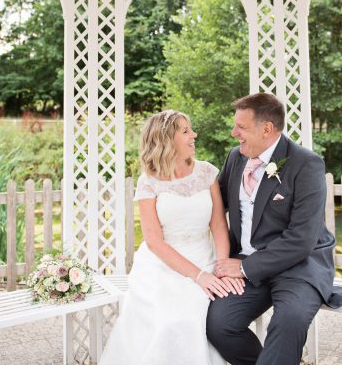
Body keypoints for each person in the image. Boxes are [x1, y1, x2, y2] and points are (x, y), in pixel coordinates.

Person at [207, 93, 342, 365]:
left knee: (289, 321)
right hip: (247, 264)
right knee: (220, 324)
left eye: (241, 127)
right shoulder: (235, 158)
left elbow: (302, 239)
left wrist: (241, 268)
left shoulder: (306, 164)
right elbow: (214, 207)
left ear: (267, 129)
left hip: (299, 265)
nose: (233, 133)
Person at [100, 109, 244, 365]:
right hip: (162, 266)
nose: (194, 135)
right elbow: (154, 241)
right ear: (166, 139)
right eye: (186, 131)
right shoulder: (148, 182)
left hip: (206, 257)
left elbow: (220, 226)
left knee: (198, 316)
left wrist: (220, 267)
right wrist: (198, 276)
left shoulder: (206, 172)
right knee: (170, 321)